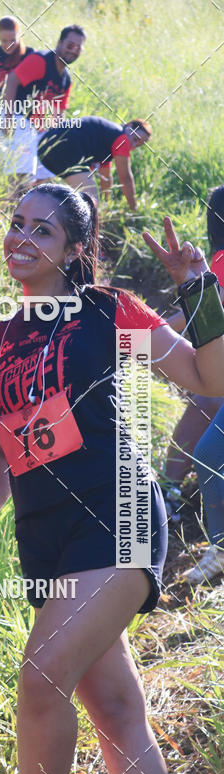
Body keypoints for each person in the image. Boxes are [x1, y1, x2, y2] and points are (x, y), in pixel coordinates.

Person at [0, 184, 222, 774]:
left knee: (40, 676)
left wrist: (198, 287)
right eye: (17, 224)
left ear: (76, 249)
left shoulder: (108, 309)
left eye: (43, 231)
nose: (22, 238)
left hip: (115, 512)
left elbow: (211, 376)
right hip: (43, 534)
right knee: (112, 706)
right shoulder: (0, 338)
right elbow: (7, 450)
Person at [163, 184, 224, 583]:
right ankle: (168, 494)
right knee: (205, 429)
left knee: (208, 450)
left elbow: (196, 315)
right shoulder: (218, 263)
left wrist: (140, 334)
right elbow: (204, 310)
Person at [0, 25, 86, 186]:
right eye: (70, 45)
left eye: (78, 48)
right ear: (59, 42)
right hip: (14, 116)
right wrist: (8, 118)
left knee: (47, 171)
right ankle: (11, 203)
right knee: (21, 178)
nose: (73, 50)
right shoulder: (41, 61)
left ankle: (27, 203)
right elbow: (11, 81)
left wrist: (58, 142)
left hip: (32, 126)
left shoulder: (66, 80)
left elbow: (58, 115)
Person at [37, 115, 152, 209]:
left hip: (45, 145)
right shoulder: (122, 138)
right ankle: (89, 235)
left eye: (138, 145)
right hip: (66, 147)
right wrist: (134, 208)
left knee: (41, 193)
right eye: (135, 139)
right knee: (91, 202)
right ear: (129, 126)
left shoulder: (108, 138)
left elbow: (106, 177)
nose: (133, 145)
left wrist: (107, 203)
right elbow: (125, 178)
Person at [0, 16, 33, 91]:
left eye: (13, 40)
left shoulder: (31, 54)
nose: (8, 45)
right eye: (4, 41)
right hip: (2, 100)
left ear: (19, 36)